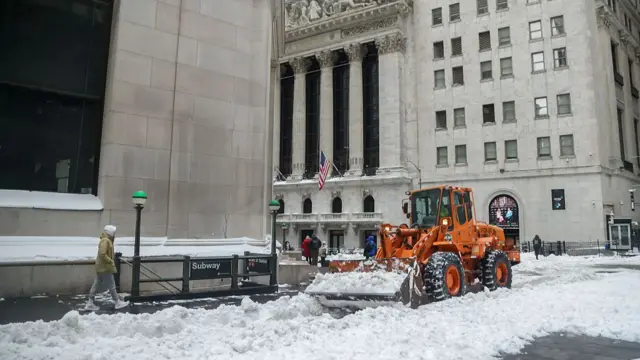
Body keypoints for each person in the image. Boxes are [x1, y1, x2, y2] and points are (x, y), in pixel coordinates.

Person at [84, 225, 129, 311]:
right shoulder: (106, 241)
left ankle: (90, 303)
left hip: (101, 267)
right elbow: (102, 253)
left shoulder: (105, 240)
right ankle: (117, 302)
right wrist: (110, 261)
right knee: (112, 285)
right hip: (105, 267)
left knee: (96, 284)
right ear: (110, 233)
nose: (115, 235)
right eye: (114, 232)